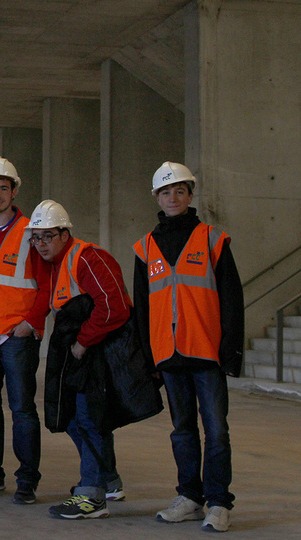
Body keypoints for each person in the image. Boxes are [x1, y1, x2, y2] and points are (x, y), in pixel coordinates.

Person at [134, 162, 243, 533]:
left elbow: (231, 298)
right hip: (168, 353)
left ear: (190, 195)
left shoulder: (213, 239)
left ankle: (218, 501)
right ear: (157, 198)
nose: (173, 197)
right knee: (182, 429)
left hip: (206, 351)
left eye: (180, 191)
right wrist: (148, 360)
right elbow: (143, 309)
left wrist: (231, 351)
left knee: (216, 429)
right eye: (166, 192)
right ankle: (190, 497)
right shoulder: (145, 248)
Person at [27, 200, 130, 520]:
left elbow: (114, 307)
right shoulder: (56, 264)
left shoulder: (87, 257)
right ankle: (108, 480)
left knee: (88, 420)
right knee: (74, 418)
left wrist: (84, 342)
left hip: (94, 356)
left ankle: (91, 495)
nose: (40, 244)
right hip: (76, 356)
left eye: (47, 236)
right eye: (36, 237)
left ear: (64, 233)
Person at [0, 157, 47, 505]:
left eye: (4, 188)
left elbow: (47, 283)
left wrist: (32, 323)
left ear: (14, 191)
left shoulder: (32, 231)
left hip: (16, 336)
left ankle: (27, 479)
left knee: (22, 409)